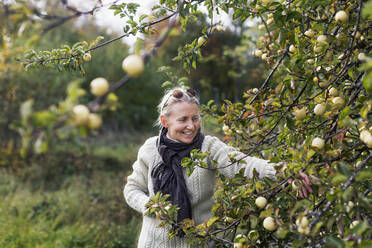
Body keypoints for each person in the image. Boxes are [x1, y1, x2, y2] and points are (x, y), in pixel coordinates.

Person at [123, 87, 276, 248]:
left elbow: (244, 164)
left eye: (195, 118)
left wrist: (281, 171)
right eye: (183, 120)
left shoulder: (208, 147)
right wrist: (152, 207)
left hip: (198, 243)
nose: (191, 126)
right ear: (164, 121)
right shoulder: (150, 149)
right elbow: (132, 189)